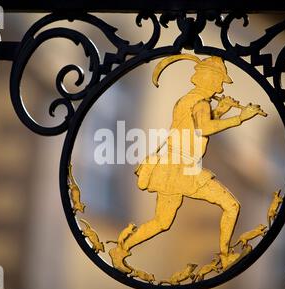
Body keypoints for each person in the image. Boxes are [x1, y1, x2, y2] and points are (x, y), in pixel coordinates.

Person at [109, 54, 267, 273]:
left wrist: (220, 111)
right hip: (184, 168)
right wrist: (240, 117)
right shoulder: (200, 103)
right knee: (231, 206)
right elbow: (204, 128)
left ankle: (121, 248)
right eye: (219, 81)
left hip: (171, 167)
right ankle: (225, 256)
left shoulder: (189, 99)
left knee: (162, 222)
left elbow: (194, 128)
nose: (220, 88)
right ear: (209, 79)